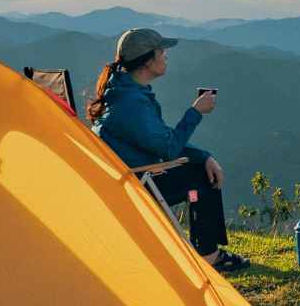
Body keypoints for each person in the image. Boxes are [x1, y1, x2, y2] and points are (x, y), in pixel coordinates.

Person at [88, 27, 249, 273]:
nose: (166, 55)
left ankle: (206, 249)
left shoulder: (125, 91)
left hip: (130, 176)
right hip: (138, 182)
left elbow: (161, 138)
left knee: (200, 170)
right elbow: (170, 148)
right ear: (147, 61)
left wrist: (204, 156)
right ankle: (209, 256)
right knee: (202, 180)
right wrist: (196, 112)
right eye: (161, 51)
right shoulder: (132, 103)